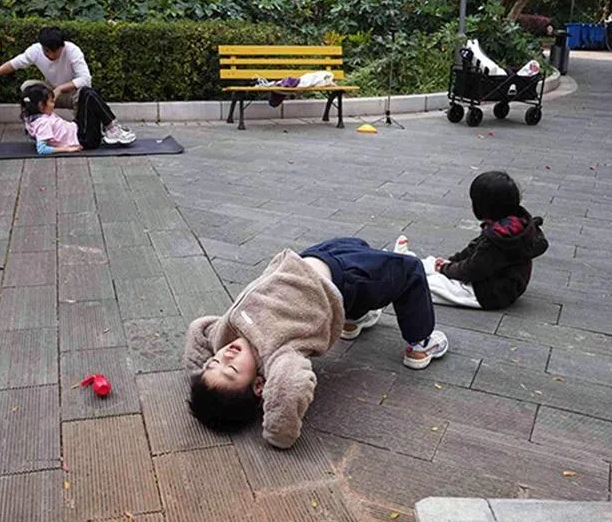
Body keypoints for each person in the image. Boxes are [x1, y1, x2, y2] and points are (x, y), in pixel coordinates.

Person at [183, 237, 449, 448]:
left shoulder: (222, 336)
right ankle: (420, 342)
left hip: (307, 259)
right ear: (259, 385)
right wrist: (279, 433)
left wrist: (197, 375)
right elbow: (289, 388)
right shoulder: (277, 356)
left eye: (213, 363)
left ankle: (355, 317)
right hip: (345, 279)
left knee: (356, 243)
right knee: (408, 270)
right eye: (231, 370)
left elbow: (198, 330)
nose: (225, 356)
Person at [0, 26, 134, 143]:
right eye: (47, 52)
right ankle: (36, 127)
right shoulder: (35, 51)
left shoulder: (73, 51)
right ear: (42, 47)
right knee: (27, 86)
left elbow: (86, 79)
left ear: (62, 47)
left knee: (87, 91)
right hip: (50, 92)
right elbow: (15, 63)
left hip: (72, 94)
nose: (51, 56)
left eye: (55, 52)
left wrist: (60, 88)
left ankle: (112, 128)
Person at [420, 171, 549, 310]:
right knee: (432, 265)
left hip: (490, 294)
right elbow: (474, 249)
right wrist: (451, 261)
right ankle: (411, 265)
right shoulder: (511, 225)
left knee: (427, 285)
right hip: (504, 286)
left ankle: (407, 274)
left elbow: (472, 269)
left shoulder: (498, 238)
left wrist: (445, 269)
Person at [20, 83, 134, 155]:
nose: (53, 104)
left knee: (86, 92)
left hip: (77, 129)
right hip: (84, 139)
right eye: (51, 101)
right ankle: (112, 128)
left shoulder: (31, 117)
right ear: (41, 105)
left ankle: (110, 128)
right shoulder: (43, 122)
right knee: (88, 95)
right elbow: (42, 149)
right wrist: (67, 149)